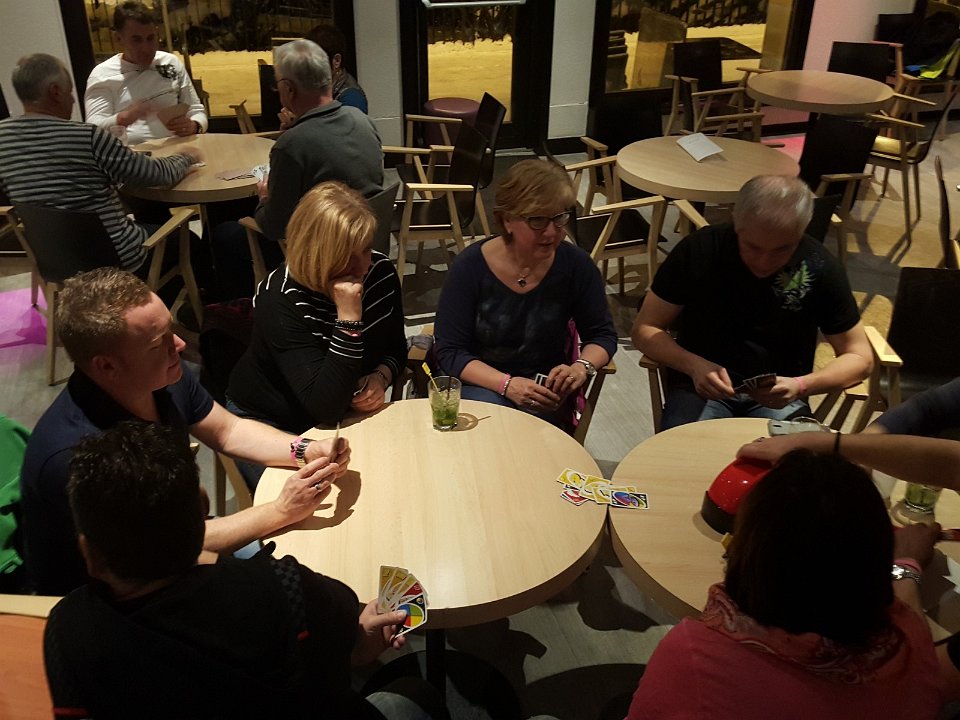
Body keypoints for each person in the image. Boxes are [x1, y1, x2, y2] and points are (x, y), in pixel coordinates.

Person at [44, 421, 449, 720]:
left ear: (89, 554)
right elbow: (354, 650)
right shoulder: (282, 587)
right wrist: (364, 637)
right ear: (203, 518)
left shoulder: (65, 630)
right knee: (417, 694)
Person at [19, 267, 351, 596]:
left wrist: (306, 449)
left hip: (173, 546)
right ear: (107, 366)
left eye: (170, 329)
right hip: (113, 597)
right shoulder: (77, 455)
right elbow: (163, 548)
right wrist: (280, 510)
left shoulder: (159, 376)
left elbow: (228, 430)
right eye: (157, 343)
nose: (178, 344)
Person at [627, 449, 944, 719]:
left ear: (749, 549)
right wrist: (907, 565)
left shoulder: (693, 654)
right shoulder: (908, 651)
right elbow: (906, 617)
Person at [631, 175, 872, 429]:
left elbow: (860, 357)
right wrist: (692, 365)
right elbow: (645, 329)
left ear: (802, 231)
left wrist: (802, 385)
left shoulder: (819, 265)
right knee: (680, 452)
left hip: (781, 392)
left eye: (782, 249)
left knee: (798, 455)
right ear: (736, 221)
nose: (764, 262)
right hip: (699, 386)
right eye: (752, 247)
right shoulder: (700, 249)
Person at [227, 182, 405, 460]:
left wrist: (381, 377)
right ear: (316, 256)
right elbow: (326, 407)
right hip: (272, 422)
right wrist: (348, 319)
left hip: (341, 415)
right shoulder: (279, 298)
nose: (363, 266)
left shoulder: (379, 272)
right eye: (347, 257)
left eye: (366, 249)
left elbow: (396, 347)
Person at [434, 159, 617, 425]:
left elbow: (602, 335)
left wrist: (581, 367)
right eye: (537, 220)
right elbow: (450, 351)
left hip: (542, 390)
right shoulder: (470, 267)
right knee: (499, 422)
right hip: (480, 383)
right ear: (507, 219)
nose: (552, 232)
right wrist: (508, 385)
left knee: (533, 429)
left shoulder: (577, 266)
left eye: (559, 218)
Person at [211, 38, 383, 300]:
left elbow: (274, 227)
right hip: (366, 239)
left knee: (223, 236)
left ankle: (241, 310)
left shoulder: (291, 145)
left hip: (323, 252)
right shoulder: (362, 120)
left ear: (289, 89)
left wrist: (264, 198)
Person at [0, 53, 199, 273]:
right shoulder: (87, 137)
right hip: (115, 262)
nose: (73, 100)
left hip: (56, 262)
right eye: (69, 92)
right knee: (189, 240)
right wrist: (186, 157)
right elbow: (155, 175)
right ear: (55, 91)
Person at [84, 1, 207, 145]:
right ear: (118, 39)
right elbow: (92, 130)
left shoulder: (170, 62)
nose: (146, 48)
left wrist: (194, 125)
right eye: (136, 40)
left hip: (178, 148)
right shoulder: (102, 75)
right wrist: (123, 118)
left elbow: (196, 110)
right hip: (130, 153)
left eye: (150, 38)